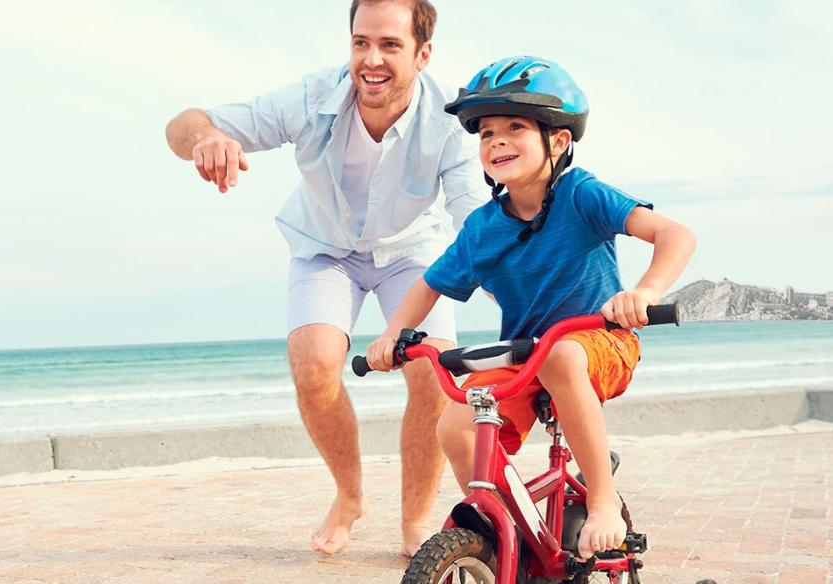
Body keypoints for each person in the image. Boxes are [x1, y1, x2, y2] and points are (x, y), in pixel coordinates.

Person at [164, 0, 486, 556]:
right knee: (314, 365)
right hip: (325, 250)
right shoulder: (313, 97)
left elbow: (475, 222)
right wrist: (204, 139)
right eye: (361, 42)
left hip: (412, 253)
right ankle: (350, 495)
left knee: (435, 375)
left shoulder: (452, 122)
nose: (371, 59)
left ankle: (414, 520)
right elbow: (183, 122)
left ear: (422, 54)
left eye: (389, 45)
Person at [364, 55, 697, 559]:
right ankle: (508, 524)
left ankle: (603, 501)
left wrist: (645, 293)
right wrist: (393, 335)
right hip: (525, 357)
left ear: (558, 141)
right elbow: (427, 286)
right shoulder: (481, 227)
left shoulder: (581, 193)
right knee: (455, 422)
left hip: (599, 344)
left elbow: (676, 235)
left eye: (515, 127)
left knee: (563, 353)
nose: (496, 141)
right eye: (486, 133)